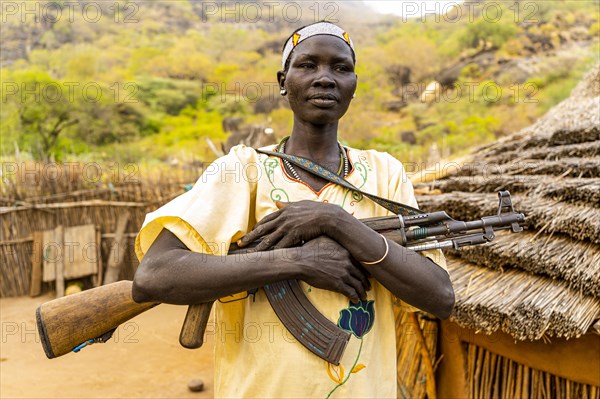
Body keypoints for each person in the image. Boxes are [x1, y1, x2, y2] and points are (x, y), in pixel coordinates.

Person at [133, 21, 454, 398]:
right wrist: (298, 262)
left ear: (354, 85)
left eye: (340, 68)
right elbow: (153, 275)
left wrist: (333, 221)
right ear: (283, 80)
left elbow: (440, 296)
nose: (325, 78)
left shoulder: (385, 173)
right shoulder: (242, 170)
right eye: (308, 65)